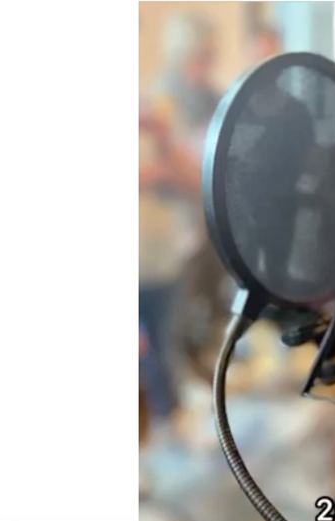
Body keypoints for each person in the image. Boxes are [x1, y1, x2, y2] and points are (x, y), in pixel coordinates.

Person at [139, 12, 222, 434]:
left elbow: (195, 175)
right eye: (194, 56)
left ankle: (176, 422)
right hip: (148, 251)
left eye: (205, 56)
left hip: (181, 245)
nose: (200, 65)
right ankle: (165, 425)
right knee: (159, 352)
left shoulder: (204, 101)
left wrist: (166, 147)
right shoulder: (159, 96)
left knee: (181, 339)